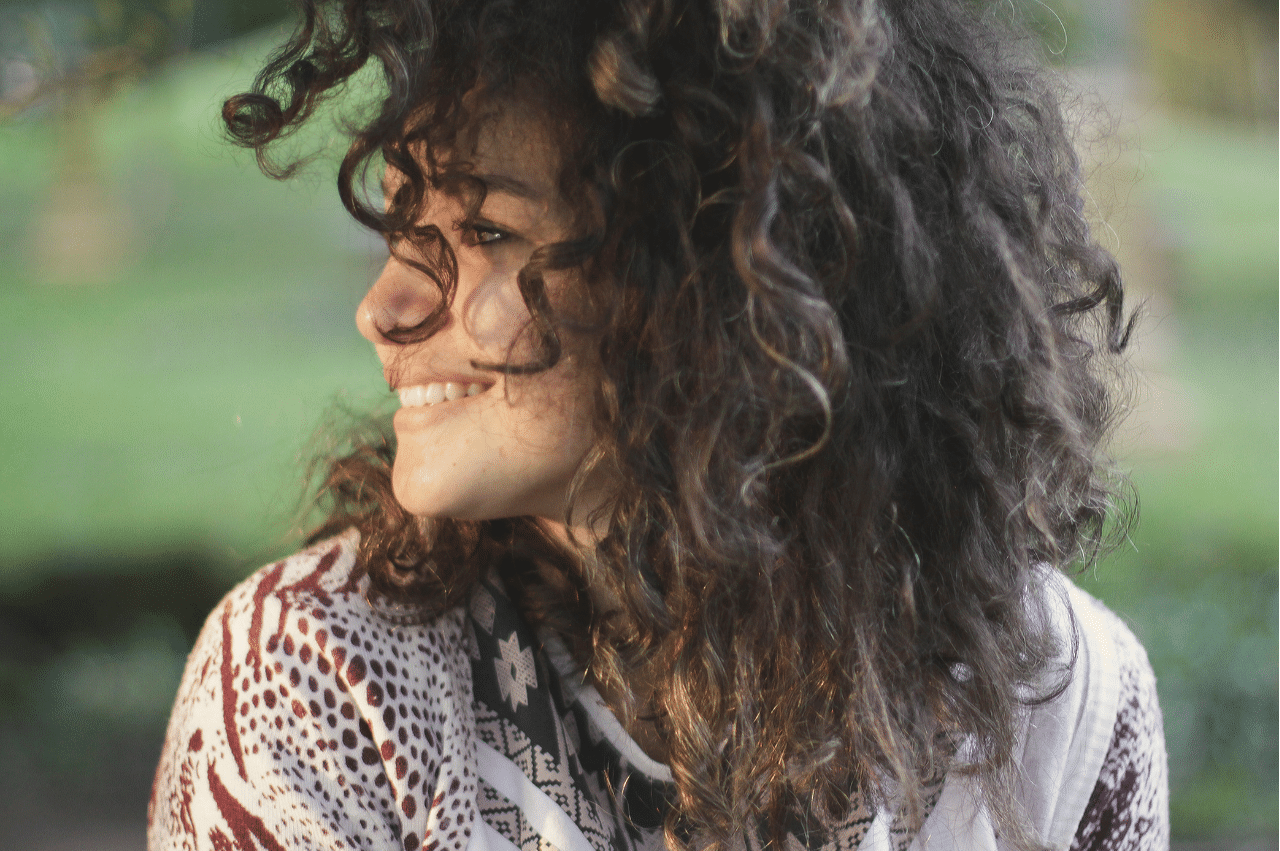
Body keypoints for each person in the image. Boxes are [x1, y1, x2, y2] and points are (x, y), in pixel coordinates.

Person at [148, 0, 1169, 849]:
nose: (385, 308)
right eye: (401, 226)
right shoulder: (313, 684)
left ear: (728, 287)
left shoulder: (1058, 706)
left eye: (485, 233)